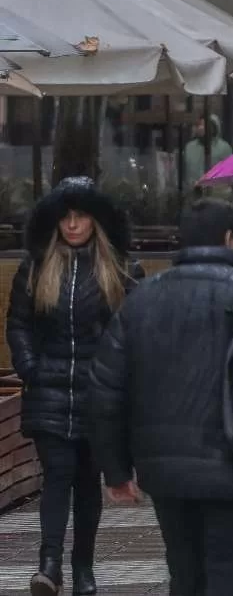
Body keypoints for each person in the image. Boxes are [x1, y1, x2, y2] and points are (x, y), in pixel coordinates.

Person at [90, 200, 233, 596]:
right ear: (231, 239)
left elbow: (106, 387)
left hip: (165, 469)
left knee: (184, 572)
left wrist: (115, 469)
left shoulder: (143, 300)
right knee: (230, 571)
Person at [6, 177, 142, 596]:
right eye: (65, 216)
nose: (72, 224)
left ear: (95, 220)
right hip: (48, 391)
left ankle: (83, 566)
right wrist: (30, 366)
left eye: (80, 215)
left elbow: (133, 327)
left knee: (87, 481)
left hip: (95, 394)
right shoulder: (37, 266)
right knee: (57, 475)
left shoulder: (118, 267)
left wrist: (115, 376)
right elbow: (19, 323)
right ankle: (49, 563)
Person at [182, 115, 233, 190]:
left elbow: (228, 173)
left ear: (213, 128)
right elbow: (184, 171)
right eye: (199, 125)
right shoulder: (189, 147)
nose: (200, 128)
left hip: (215, 193)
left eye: (204, 125)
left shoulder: (224, 147)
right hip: (192, 191)